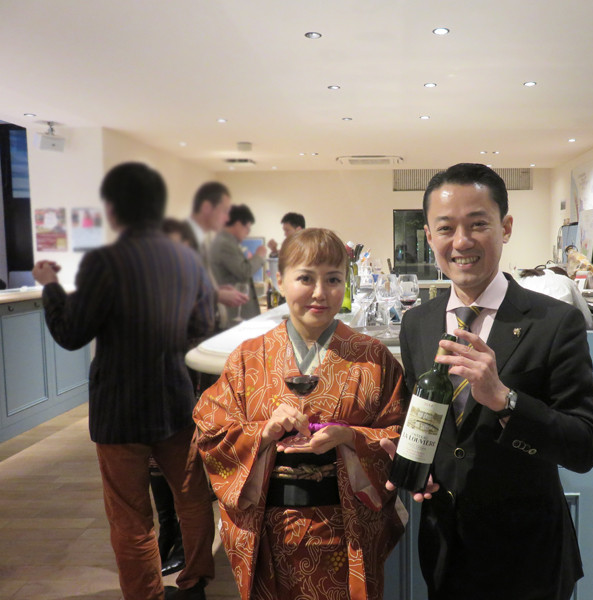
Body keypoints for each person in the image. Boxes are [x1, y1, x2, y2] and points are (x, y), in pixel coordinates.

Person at [389, 163, 593, 600]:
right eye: (445, 228)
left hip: (528, 558)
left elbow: (584, 446)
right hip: (445, 552)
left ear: (505, 228)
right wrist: (416, 466)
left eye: (478, 224)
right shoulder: (417, 324)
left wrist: (505, 400)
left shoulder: (554, 322)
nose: (461, 241)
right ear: (429, 236)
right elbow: (423, 419)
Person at [32, 162, 217, 600]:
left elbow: (71, 332)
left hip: (119, 410)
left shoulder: (105, 262)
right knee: (192, 499)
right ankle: (194, 584)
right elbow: (202, 326)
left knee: (131, 517)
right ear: (157, 207)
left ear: (113, 209)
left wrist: (51, 285)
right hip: (173, 402)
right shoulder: (187, 261)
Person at [193, 227, 406, 600]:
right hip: (269, 532)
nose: (320, 292)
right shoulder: (246, 357)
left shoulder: (373, 357)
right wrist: (262, 433)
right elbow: (210, 432)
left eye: (333, 279)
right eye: (306, 278)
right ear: (279, 280)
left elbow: (401, 436)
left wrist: (350, 437)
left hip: (347, 533)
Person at [186, 181, 249, 317]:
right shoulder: (183, 238)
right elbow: (178, 291)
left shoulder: (200, 241)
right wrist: (217, 295)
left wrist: (215, 290)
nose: (227, 218)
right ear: (207, 208)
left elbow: (194, 286)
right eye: (225, 211)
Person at [210, 204, 268, 325]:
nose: (247, 234)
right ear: (238, 224)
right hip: (234, 312)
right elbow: (244, 271)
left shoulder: (227, 242)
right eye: (247, 229)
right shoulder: (225, 244)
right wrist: (259, 255)